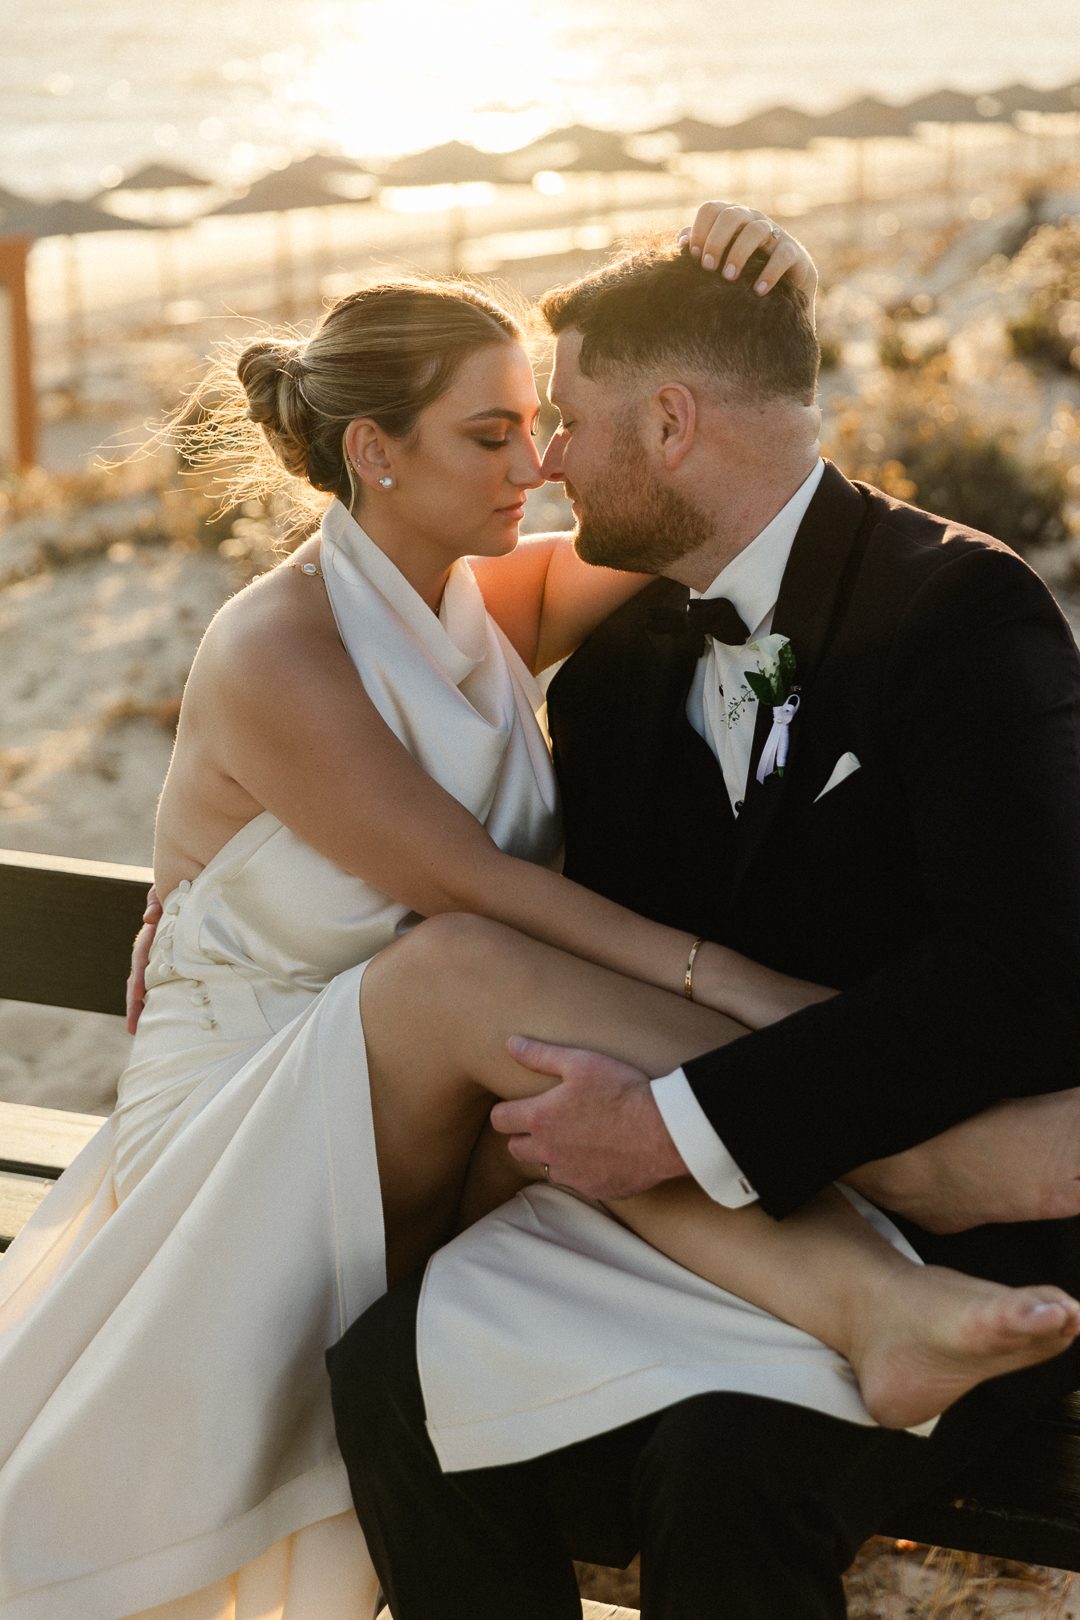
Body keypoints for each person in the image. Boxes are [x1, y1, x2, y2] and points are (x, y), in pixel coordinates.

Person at [1, 210, 1073, 1620]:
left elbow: (747, 501)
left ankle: (881, 1270)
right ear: (378, 451)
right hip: (284, 1104)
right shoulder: (295, 648)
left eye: (550, 422)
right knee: (445, 1076)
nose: (544, 461)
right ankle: (899, 1208)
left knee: (699, 1435)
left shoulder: (528, 603)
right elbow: (504, 895)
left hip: (500, 1103)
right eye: (499, 433)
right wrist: (776, 1027)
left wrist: (773, 325)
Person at [325, 223, 1080, 1619]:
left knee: (724, 1470)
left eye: (568, 419)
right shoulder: (612, 668)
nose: (545, 458)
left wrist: (676, 1126)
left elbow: (1023, 980)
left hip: (964, 1250)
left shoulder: (967, 611)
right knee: (388, 1367)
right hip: (692, 1211)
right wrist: (201, 871)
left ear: (671, 424)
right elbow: (556, 915)